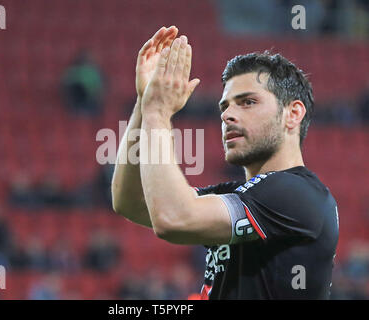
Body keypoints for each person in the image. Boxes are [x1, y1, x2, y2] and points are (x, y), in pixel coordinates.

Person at [111, 26, 339, 299]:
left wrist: (158, 112)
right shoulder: (244, 196)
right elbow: (130, 202)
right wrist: (144, 103)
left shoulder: (297, 193)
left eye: (248, 102)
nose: (228, 115)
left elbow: (173, 218)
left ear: (292, 113)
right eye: (225, 106)